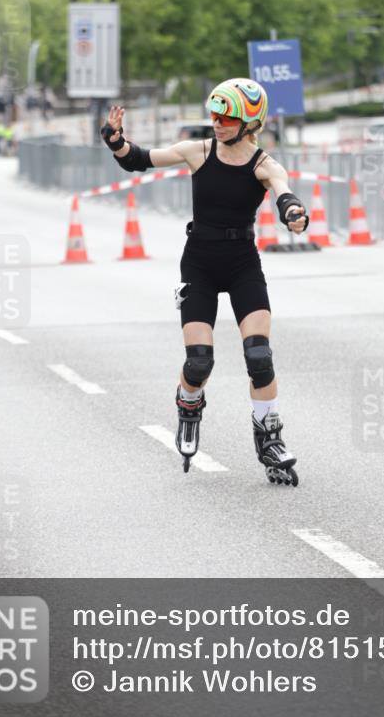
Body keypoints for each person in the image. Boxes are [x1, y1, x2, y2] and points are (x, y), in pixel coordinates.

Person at [101, 78, 310, 486]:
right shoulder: (197, 151)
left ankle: (270, 440)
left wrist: (293, 214)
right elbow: (139, 159)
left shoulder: (264, 165)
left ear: (250, 123)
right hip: (199, 264)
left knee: (259, 358)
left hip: (243, 265)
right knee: (199, 363)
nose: (216, 123)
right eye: (214, 115)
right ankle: (189, 403)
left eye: (226, 118)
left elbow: (284, 193)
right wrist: (116, 141)